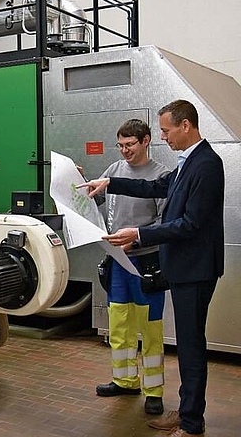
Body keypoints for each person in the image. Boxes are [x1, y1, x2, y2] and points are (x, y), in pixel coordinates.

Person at [78, 100, 225, 437]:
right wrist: (110, 183)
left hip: (196, 269)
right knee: (188, 342)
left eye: (166, 130)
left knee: (190, 345)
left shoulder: (206, 164)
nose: (163, 136)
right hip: (188, 268)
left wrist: (140, 234)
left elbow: (190, 224)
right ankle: (187, 411)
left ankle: (191, 421)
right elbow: (155, 187)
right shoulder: (189, 162)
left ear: (185, 125)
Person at [91, 119, 169, 416]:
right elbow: (93, 197)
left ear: (146, 141)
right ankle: (124, 380)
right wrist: (77, 181)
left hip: (146, 261)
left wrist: (135, 241)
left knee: (149, 328)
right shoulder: (113, 171)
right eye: (120, 145)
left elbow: (165, 223)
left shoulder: (161, 176)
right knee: (119, 324)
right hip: (117, 263)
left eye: (130, 145)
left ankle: (153, 390)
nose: (125, 151)